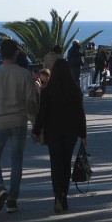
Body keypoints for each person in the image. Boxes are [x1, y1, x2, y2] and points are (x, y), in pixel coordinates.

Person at [0, 39, 38, 213]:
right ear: (16, 53)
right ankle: (12, 201)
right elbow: (31, 103)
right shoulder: (24, 74)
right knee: (17, 162)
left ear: (0, 52)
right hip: (19, 122)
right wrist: (34, 125)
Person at [32, 58, 87, 214]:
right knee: (66, 163)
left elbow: (41, 113)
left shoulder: (48, 90)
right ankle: (64, 195)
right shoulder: (75, 90)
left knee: (55, 164)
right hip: (71, 133)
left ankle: (57, 195)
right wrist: (83, 135)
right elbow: (80, 114)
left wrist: (36, 131)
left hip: (53, 132)